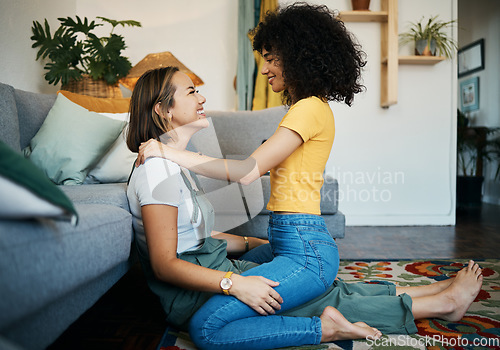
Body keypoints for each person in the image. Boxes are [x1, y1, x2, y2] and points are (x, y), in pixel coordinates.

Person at [127, 67, 484, 350]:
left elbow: (196, 237)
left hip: (213, 267)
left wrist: (253, 248)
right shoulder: (157, 167)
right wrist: (235, 283)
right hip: (196, 288)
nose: (202, 96)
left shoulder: (171, 164)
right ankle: (330, 327)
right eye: (191, 91)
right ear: (162, 109)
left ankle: (431, 295)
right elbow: (165, 262)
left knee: (307, 287)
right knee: (212, 328)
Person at [136, 4, 364, 347]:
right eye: (265, 58)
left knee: (210, 325)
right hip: (293, 236)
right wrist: (248, 251)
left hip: (304, 240)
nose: (265, 68)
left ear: (298, 56)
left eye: (272, 58)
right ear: (162, 109)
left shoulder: (308, 108)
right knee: (276, 283)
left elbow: (247, 172)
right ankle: (430, 297)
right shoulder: (306, 108)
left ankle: (339, 323)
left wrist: (171, 152)